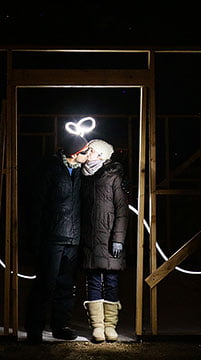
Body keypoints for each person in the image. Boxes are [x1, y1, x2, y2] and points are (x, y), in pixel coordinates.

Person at [24, 132, 90, 343]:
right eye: (85, 152)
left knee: (66, 285)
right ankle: (35, 328)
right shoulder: (51, 169)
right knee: (45, 284)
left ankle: (60, 325)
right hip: (52, 238)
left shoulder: (81, 173)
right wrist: (36, 236)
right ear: (74, 154)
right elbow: (37, 204)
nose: (88, 155)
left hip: (73, 237)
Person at [80, 138, 129, 343]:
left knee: (110, 282)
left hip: (109, 240)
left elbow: (122, 211)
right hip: (90, 239)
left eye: (90, 150)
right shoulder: (84, 177)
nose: (87, 153)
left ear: (101, 156)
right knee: (92, 282)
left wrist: (118, 239)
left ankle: (110, 326)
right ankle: (98, 327)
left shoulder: (113, 178)